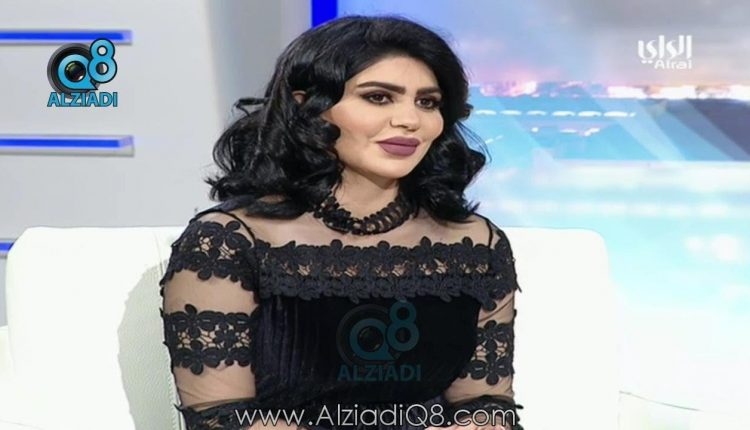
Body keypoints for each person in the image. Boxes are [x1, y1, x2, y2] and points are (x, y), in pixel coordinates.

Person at [159, 14, 524, 430]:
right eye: (379, 97)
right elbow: (221, 417)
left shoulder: (475, 244)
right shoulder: (229, 243)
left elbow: (485, 401)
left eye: (427, 102)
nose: (410, 120)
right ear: (308, 107)